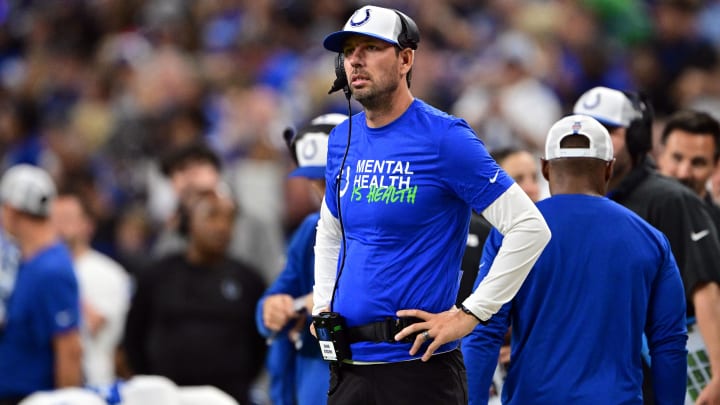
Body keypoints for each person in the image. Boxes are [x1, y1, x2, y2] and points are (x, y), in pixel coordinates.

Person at [314, 5, 551, 404]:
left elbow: (530, 227)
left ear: (406, 59)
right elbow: (332, 229)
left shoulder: (446, 138)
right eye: (350, 50)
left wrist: (470, 314)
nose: (355, 59)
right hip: (349, 368)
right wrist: (323, 304)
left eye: (371, 48)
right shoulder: (342, 138)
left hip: (418, 372)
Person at [462, 114, 688, 404]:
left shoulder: (513, 235)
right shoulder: (650, 239)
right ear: (608, 169)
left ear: (545, 167)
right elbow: (669, 343)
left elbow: (484, 330)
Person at [574, 86, 720, 404]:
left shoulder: (669, 198)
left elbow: (705, 286)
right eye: (582, 128)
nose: (591, 140)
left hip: (664, 366)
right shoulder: (572, 205)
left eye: (609, 130)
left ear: (638, 139)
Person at [123, 188, 266, 405]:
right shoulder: (157, 276)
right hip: (168, 397)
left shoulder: (249, 280)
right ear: (187, 222)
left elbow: (259, 346)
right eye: (212, 216)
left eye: (229, 219)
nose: (222, 227)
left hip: (231, 398)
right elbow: (134, 337)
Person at [256, 112, 347, 405]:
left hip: (371, 372)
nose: (322, 193)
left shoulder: (391, 227)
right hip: (313, 376)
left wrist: (317, 302)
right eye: (314, 182)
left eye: (329, 179)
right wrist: (271, 309)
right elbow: (277, 295)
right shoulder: (310, 229)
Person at [0, 164, 82, 404]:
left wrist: (64, 402)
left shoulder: (51, 269)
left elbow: (69, 350)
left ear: (12, 211)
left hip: (31, 397)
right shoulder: (23, 259)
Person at [151, 141, 283, 283]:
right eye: (176, 173)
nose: (188, 179)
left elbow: (275, 280)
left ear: (216, 173)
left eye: (195, 168)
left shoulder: (254, 225)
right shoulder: (173, 232)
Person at [51, 190, 131, 387]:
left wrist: (56, 282)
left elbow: (92, 324)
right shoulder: (38, 268)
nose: (59, 226)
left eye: (67, 218)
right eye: (53, 219)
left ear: (88, 225)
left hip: (94, 383)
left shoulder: (109, 273)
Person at [657, 109, 720, 230]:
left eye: (698, 163)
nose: (683, 174)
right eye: (677, 158)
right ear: (661, 155)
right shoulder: (633, 213)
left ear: (716, 165)